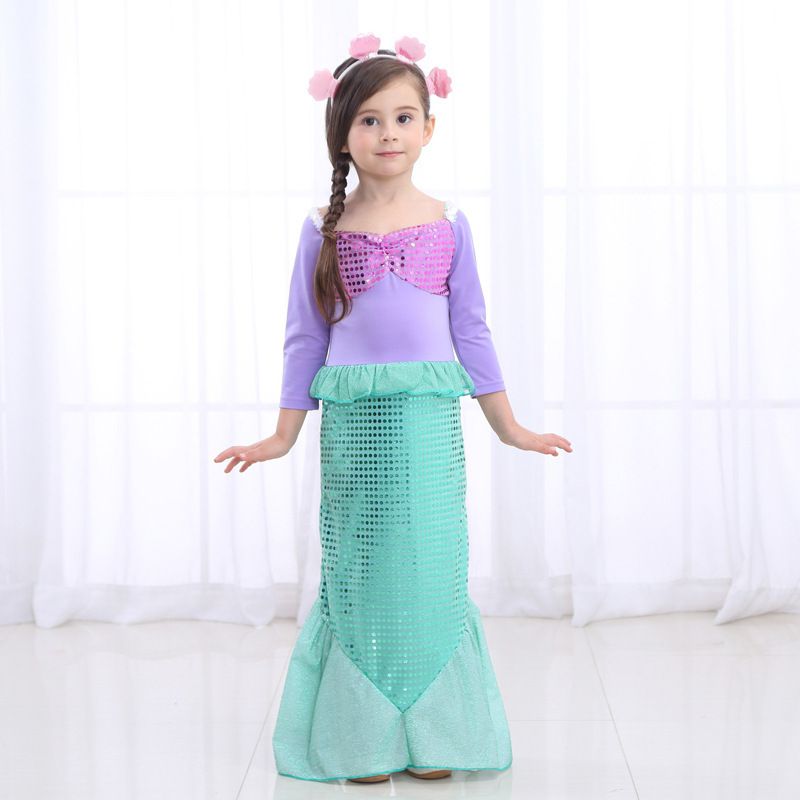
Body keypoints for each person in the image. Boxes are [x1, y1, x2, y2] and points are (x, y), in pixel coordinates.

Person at [213, 32, 572, 784]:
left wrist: (510, 426)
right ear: (341, 134)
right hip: (355, 428)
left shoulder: (448, 222)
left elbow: (472, 329)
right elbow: (304, 338)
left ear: (429, 128)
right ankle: (365, 737)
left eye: (404, 118)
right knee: (363, 570)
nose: (388, 134)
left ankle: (433, 729)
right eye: (369, 120)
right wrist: (281, 435)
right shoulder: (323, 230)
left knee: (429, 569)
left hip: (428, 424)